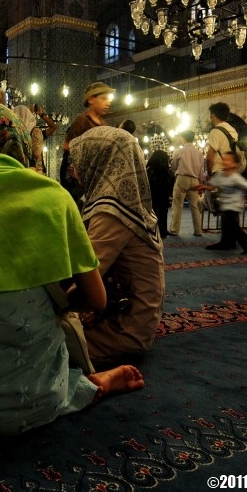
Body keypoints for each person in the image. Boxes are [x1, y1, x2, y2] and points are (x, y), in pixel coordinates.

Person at [0, 103, 144, 435]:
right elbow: (96, 299)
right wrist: (56, 304)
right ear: (22, 148)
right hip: (46, 398)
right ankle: (82, 386)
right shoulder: (55, 196)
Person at [70, 126, 165, 366]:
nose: (74, 167)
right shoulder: (124, 203)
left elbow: (81, 275)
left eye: (79, 159)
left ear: (100, 160)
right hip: (129, 319)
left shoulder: (112, 212)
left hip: (122, 329)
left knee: (35, 341)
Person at [198, 150, 247, 254]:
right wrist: (203, 186)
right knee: (226, 225)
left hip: (234, 206)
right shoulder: (220, 175)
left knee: (233, 226)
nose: (225, 162)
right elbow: (213, 186)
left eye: (228, 160)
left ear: (235, 164)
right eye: (224, 160)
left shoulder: (236, 177)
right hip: (224, 204)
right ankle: (227, 243)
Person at [61, 82, 113, 197]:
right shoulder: (82, 120)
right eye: (103, 98)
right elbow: (66, 145)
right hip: (77, 180)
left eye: (109, 99)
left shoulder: (103, 124)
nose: (108, 102)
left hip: (94, 178)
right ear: (91, 99)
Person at [168, 130, 204, 237]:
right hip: (195, 180)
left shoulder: (179, 151)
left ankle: (174, 230)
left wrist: (176, 173)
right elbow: (201, 171)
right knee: (195, 206)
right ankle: (198, 231)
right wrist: (201, 183)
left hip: (182, 179)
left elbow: (174, 166)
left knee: (177, 205)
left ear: (183, 137)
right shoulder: (199, 153)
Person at [144, 149, 173, 238]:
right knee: (163, 213)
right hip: (163, 197)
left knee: (153, 214)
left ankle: (152, 230)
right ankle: (162, 231)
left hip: (152, 197)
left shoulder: (148, 171)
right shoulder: (167, 172)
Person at [205, 102, 239, 175]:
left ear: (213, 115)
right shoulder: (233, 130)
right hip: (231, 172)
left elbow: (209, 158)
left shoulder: (215, 131)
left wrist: (209, 174)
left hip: (219, 172)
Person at [13, 104, 47, 174]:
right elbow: (37, 153)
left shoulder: (15, 131)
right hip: (34, 170)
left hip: (20, 168)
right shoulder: (35, 130)